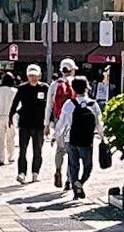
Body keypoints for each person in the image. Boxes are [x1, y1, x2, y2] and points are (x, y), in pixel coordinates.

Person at [54, 74, 102, 200]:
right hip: (87, 141)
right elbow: (99, 123)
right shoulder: (93, 105)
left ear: (73, 89)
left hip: (71, 140)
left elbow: (62, 123)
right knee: (88, 166)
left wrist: (56, 136)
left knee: (73, 166)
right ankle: (80, 183)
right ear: (87, 88)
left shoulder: (69, 104)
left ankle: (76, 187)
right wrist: (103, 137)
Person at [9, 63, 49, 184]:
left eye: (35, 75)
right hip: (25, 123)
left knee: (38, 150)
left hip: (39, 124)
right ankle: (22, 172)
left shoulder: (44, 88)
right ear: (27, 76)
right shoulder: (22, 88)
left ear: (40, 76)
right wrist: (10, 116)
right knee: (23, 150)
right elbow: (15, 103)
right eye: (31, 76)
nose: (33, 78)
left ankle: (35, 172)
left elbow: (48, 106)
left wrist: (49, 121)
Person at [48, 58, 79, 188]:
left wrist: (46, 124)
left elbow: (49, 106)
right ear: (71, 70)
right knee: (72, 151)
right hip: (74, 122)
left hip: (59, 120)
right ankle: (69, 179)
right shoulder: (77, 83)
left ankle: (58, 170)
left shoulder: (54, 85)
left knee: (60, 150)